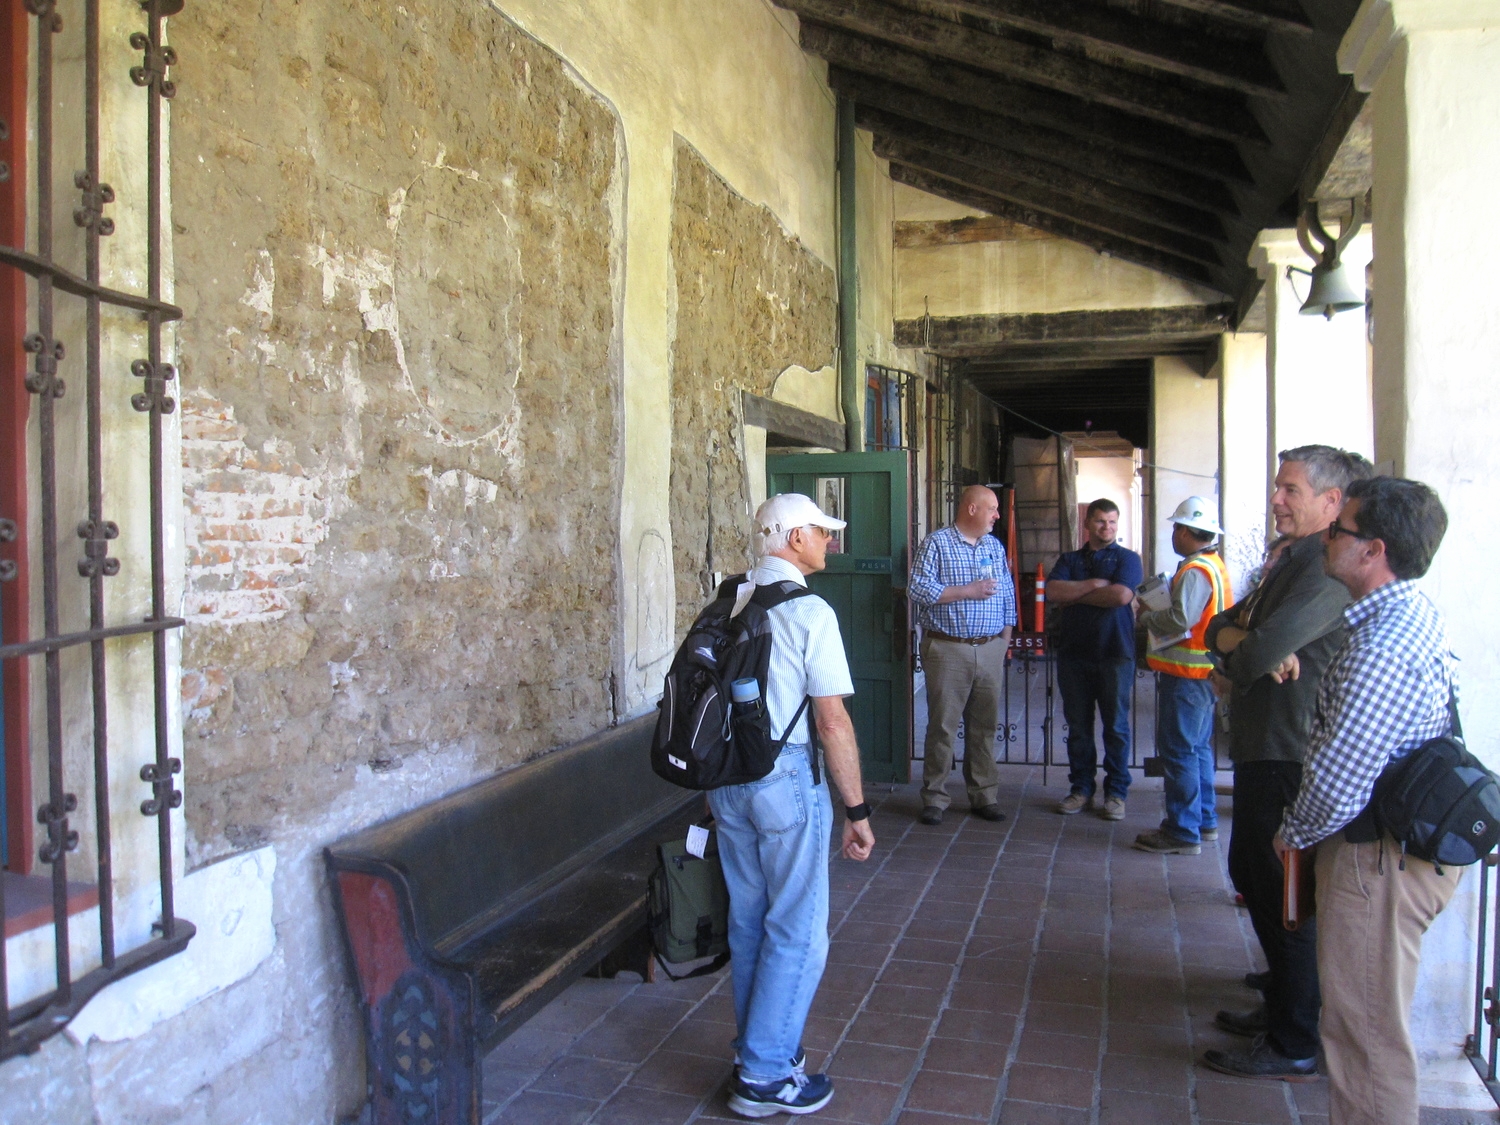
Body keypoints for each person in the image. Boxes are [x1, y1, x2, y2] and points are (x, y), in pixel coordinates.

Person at [1274, 477, 1457, 1125]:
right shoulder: (1409, 615)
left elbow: (1338, 780)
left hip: (1376, 860)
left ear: (1373, 549)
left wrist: (1291, 833)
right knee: (1367, 1026)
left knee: (1366, 1037)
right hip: (1396, 851)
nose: (1329, 535)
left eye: (1342, 528)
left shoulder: (1383, 646)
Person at [1201, 445, 1372, 1082]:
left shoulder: (1323, 569)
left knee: (1283, 889)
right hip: (1264, 742)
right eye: (1278, 486)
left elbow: (1250, 647)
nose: (1276, 499)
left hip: (1291, 750)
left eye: (1290, 489)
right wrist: (1246, 647)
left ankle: (1296, 1035)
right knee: (1254, 871)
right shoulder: (1294, 559)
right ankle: (1282, 1003)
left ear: (1333, 503)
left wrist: (1247, 651)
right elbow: (1222, 626)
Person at [718, 492, 876, 1119]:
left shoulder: (731, 598)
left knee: (750, 920)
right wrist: (856, 810)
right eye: (819, 530)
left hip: (728, 779)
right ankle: (762, 1077)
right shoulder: (811, 612)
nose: (828, 540)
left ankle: (761, 1053)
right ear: (790, 536)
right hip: (783, 780)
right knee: (801, 929)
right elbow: (832, 721)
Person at [908, 485, 1019, 826]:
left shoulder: (994, 546)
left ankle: (984, 795)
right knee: (943, 726)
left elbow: (1007, 594)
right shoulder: (937, 543)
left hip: (989, 648)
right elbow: (917, 588)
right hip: (948, 649)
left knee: (984, 726)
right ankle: (935, 797)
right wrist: (966, 592)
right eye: (992, 509)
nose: (997, 515)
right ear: (972, 509)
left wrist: (1004, 640)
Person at [1133, 497, 1231, 855]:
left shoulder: (1195, 571)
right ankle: (1203, 822)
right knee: (1197, 749)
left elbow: (1179, 620)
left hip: (1187, 676)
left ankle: (1182, 830)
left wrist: (1145, 617)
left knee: (1179, 751)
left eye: (1177, 527)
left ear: (1188, 532)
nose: (1173, 533)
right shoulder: (1213, 565)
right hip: (1202, 673)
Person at [1048, 498, 1142, 820]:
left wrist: (1076, 594)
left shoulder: (1128, 559)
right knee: (1078, 727)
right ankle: (1081, 789)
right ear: (1088, 523)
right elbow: (1054, 592)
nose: (1108, 528)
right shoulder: (1069, 559)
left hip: (1115, 653)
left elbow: (1121, 596)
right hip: (1074, 655)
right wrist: (1092, 585)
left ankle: (1116, 793)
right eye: (1101, 521)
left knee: (1115, 727)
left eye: (1113, 522)